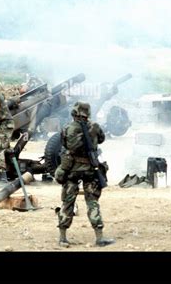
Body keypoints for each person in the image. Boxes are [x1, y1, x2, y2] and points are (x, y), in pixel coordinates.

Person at [54, 101, 115, 247]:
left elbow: (64, 144)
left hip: (72, 170)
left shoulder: (67, 128)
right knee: (92, 203)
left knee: (67, 203)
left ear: (74, 113)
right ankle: (99, 237)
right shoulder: (95, 127)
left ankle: (63, 238)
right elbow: (101, 139)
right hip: (90, 170)